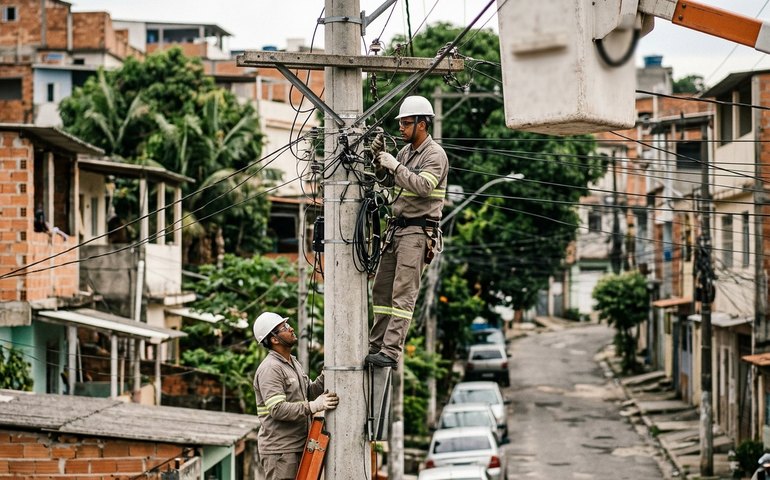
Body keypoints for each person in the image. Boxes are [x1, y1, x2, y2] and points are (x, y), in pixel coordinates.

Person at [365, 95, 449, 368]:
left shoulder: (434, 154)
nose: (401, 128)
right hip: (396, 230)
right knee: (381, 291)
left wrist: (396, 166)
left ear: (422, 124)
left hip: (418, 232)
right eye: (400, 123)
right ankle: (375, 345)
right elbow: (389, 181)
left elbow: (424, 187)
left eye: (406, 123)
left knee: (402, 293)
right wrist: (378, 161)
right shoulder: (404, 153)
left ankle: (390, 352)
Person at [252, 311, 339, 480]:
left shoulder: (292, 362)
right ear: (274, 339)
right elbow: (277, 409)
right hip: (281, 452)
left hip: (300, 445)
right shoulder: (270, 369)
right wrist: (315, 406)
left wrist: (327, 374)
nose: (291, 329)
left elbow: (308, 393)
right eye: (284, 327)